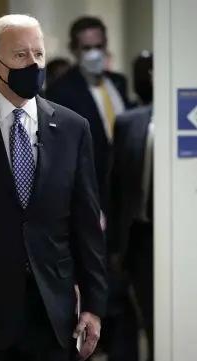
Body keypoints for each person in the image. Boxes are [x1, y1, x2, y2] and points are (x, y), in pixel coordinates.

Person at [0, 14, 107, 361]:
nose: (33, 64)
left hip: (52, 313)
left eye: (38, 54)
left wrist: (94, 305)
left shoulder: (72, 128)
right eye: (20, 55)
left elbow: (86, 225)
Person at [45, 16, 131, 216]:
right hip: (91, 190)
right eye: (87, 48)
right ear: (74, 49)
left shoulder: (119, 82)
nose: (94, 53)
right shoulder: (62, 91)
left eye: (98, 46)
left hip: (125, 187)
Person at [110, 50, 154, 361]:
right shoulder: (129, 123)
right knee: (149, 316)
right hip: (141, 235)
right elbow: (115, 187)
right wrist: (113, 243)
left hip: (183, 233)